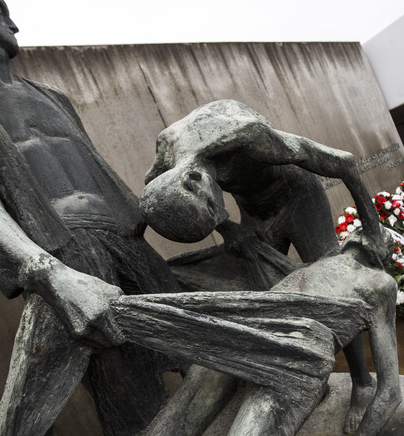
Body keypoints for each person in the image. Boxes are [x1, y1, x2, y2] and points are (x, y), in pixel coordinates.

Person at [0, 0, 185, 433]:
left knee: (203, 358)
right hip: (65, 252)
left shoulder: (52, 97)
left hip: (129, 241)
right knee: (128, 392)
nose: (11, 20)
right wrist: (52, 276)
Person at [141, 99, 388, 433]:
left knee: (333, 290)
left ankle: (363, 381)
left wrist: (372, 229)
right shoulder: (168, 156)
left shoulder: (246, 136)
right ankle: (306, 372)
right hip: (254, 212)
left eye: (216, 208)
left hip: (298, 197)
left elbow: (342, 162)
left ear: (195, 179)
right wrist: (228, 229)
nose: (218, 214)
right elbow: (146, 196)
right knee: (266, 297)